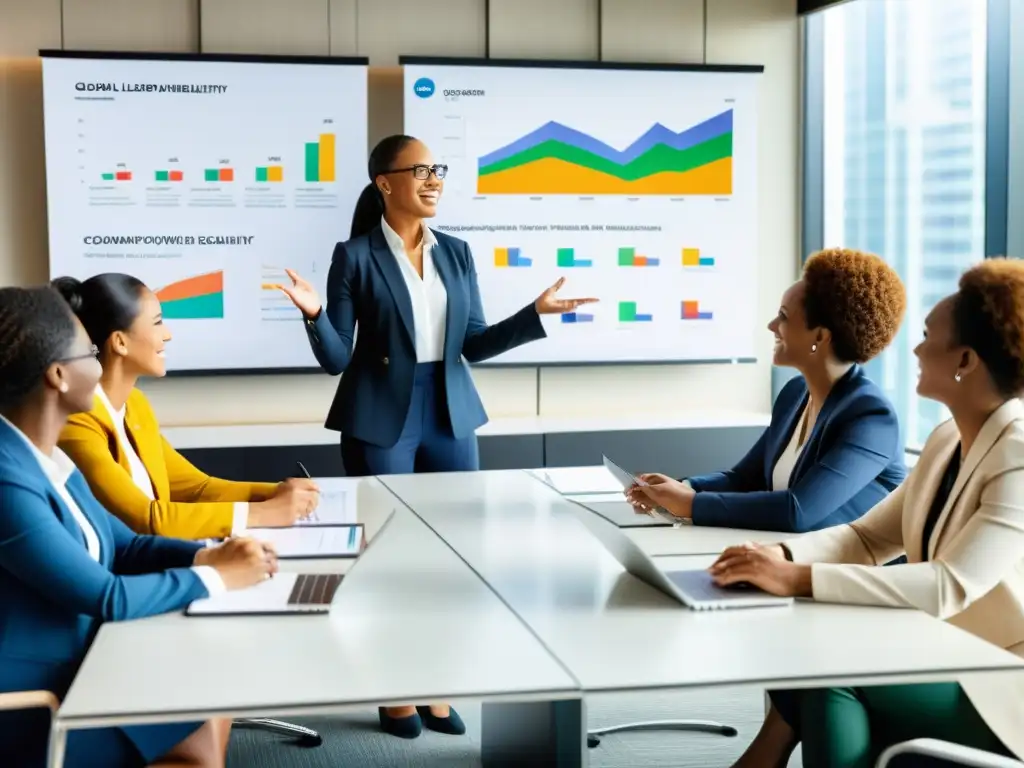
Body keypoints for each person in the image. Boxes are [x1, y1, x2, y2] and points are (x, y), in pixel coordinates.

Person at [278, 134, 595, 739]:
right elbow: (337, 359)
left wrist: (534, 315)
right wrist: (315, 315)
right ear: (385, 184)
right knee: (389, 562)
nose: (433, 179)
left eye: (437, 169)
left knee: (454, 559)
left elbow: (473, 342)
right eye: (419, 170)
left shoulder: (457, 252)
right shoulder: (357, 255)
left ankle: (436, 686)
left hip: (450, 414)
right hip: (380, 419)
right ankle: (394, 693)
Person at [710, 258, 1024, 768]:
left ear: (965, 360)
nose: (916, 349)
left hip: (1001, 681)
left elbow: (948, 585)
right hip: (946, 653)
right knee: (821, 654)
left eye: (927, 337)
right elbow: (867, 537)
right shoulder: (948, 439)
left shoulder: (1018, 454)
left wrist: (797, 577)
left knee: (833, 674)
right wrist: (775, 555)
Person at [0, 285, 278, 768]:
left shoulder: (48, 458)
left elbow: (128, 547)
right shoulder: (7, 480)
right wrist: (219, 576)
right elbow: (107, 595)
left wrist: (207, 555)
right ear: (59, 376)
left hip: (92, 659)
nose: (100, 361)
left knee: (211, 692)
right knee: (200, 730)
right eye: (90, 351)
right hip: (36, 698)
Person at [627, 247, 908, 533]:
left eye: (784, 316)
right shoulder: (796, 393)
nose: (772, 325)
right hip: (792, 557)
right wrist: (681, 488)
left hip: (852, 572)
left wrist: (689, 504)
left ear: (820, 336)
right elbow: (744, 479)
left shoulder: (871, 418)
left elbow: (797, 510)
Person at [52, 274, 320, 541]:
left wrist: (279, 493)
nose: (167, 334)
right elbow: (147, 519)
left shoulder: (135, 404)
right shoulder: (78, 421)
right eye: (157, 323)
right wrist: (266, 513)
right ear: (120, 342)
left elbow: (197, 489)